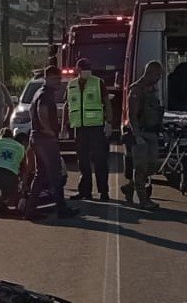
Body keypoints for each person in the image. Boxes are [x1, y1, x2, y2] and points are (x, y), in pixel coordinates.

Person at [22, 65, 77, 221]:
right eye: (55, 79)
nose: (58, 82)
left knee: (41, 174)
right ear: (47, 78)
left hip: (36, 138)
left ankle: (30, 210)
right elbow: (42, 112)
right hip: (45, 139)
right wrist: (49, 131)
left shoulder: (39, 93)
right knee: (56, 174)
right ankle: (62, 210)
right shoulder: (45, 94)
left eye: (59, 78)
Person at [121, 60, 164, 210]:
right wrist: (137, 135)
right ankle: (143, 200)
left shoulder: (152, 89)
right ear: (150, 73)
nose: (159, 78)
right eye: (158, 74)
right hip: (140, 133)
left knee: (152, 166)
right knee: (140, 167)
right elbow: (132, 114)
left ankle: (130, 187)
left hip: (152, 132)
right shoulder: (136, 90)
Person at [66, 58, 111, 201]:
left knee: (100, 161)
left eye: (88, 68)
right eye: (84, 68)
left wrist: (109, 123)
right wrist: (64, 125)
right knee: (83, 162)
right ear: (78, 70)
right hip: (79, 128)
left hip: (96, 128)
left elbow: (107, 103)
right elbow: (68, 105)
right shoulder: (71, 85)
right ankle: (85, 191)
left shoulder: (98, 82)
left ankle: (104, 192)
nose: (86, 71)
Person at [0, 128, 26, 214]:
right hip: (10, 174)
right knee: (9, 185)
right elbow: (23, 165)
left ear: (0, 136)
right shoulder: (20, 147)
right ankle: (2, 201)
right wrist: (21, 180)